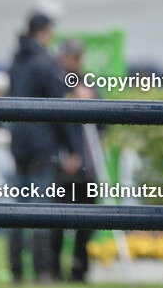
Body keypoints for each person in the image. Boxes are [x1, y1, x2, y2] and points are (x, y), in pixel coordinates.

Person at [7, 13, 82, 284]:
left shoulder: (17, 61)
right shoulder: (46, 64)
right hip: (41, 145)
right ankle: (42, 271)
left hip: (18, 143)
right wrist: (74, 149)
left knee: (16, 210)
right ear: (45, 31)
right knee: (40, 209)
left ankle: (16, 270)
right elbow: (58, 110)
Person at [49, 38, 96, 283]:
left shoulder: (88, 82)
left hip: (88, 166)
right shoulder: (55, 81)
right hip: (63, 163)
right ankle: (54, 268)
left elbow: (103, 124)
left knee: (87, 222)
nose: (76, 61)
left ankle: (79, 269)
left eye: (79, 56)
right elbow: (53, 126)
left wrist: (92, 102)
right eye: (72, 56)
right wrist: (65, 156)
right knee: (58, 219)